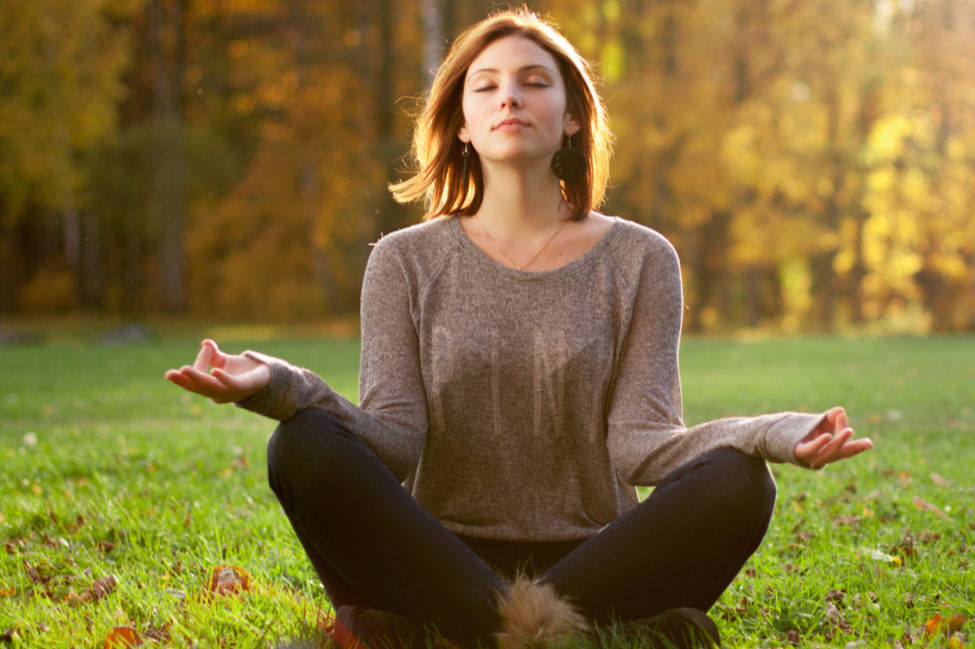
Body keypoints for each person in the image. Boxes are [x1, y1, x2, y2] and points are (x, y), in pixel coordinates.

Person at [166, 9, 872, 649]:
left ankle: (451, 635)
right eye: (487, 86)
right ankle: (561, 634)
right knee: (302, 442)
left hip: (596, 559)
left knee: (742, 484)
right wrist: (277, 384)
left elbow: (643, 444)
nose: (510, 96)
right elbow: (395, 436)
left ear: (570, 115)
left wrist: (776, 434)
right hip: (437, 558)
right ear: (463, 123)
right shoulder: (403, 261)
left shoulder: (641, 258)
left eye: (534, 82)